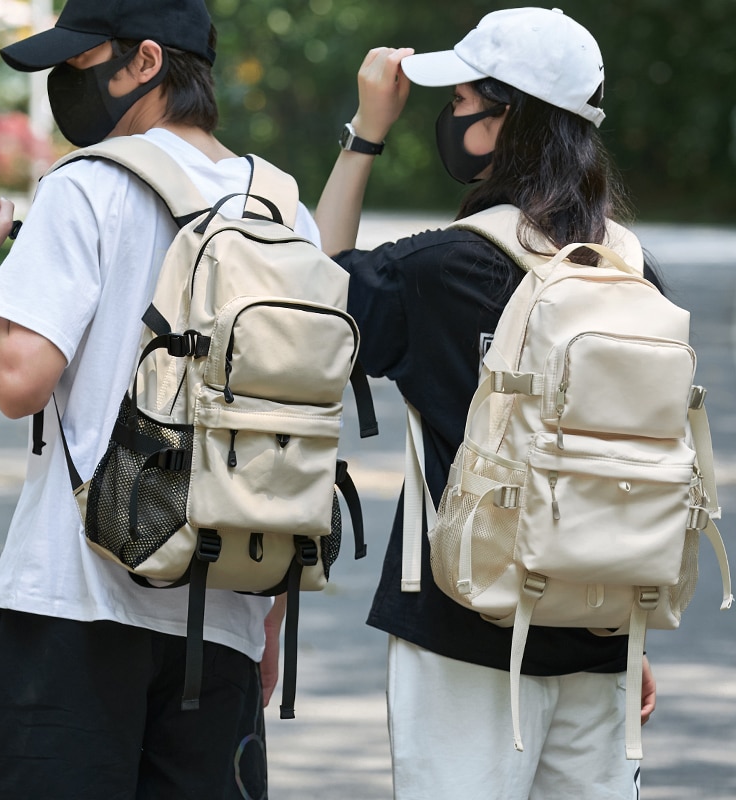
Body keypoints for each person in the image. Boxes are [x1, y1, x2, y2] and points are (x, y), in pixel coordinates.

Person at [0, 0, 319, 796]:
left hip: (70, 603)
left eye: (80, 59)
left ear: (145, 62)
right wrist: (266, 621)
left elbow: (17, 377)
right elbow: (294, 430)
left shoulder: (88, 186)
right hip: (224, 616)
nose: (63, 79)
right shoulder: (286, 212)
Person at [316, 7, 658, 799]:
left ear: (505, 121)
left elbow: (312, 299)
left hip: (464, 630)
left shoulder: (441, 269)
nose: (452, 115)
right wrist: (631, 627)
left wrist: (367, 132)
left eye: (464, 99)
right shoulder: (633, 274)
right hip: (603, 629)